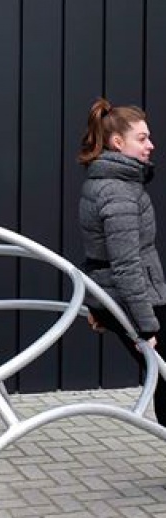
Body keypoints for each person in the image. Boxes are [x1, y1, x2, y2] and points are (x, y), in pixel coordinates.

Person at [78, 96, 166, 424]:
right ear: (118, 142)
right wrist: (146, 327)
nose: (150, 145)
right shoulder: (117, 193)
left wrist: (98, 304)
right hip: (137, 302)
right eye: (142, 138)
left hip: (129, 298)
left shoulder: (111, 184)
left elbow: (99, 253)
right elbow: (125, 264)